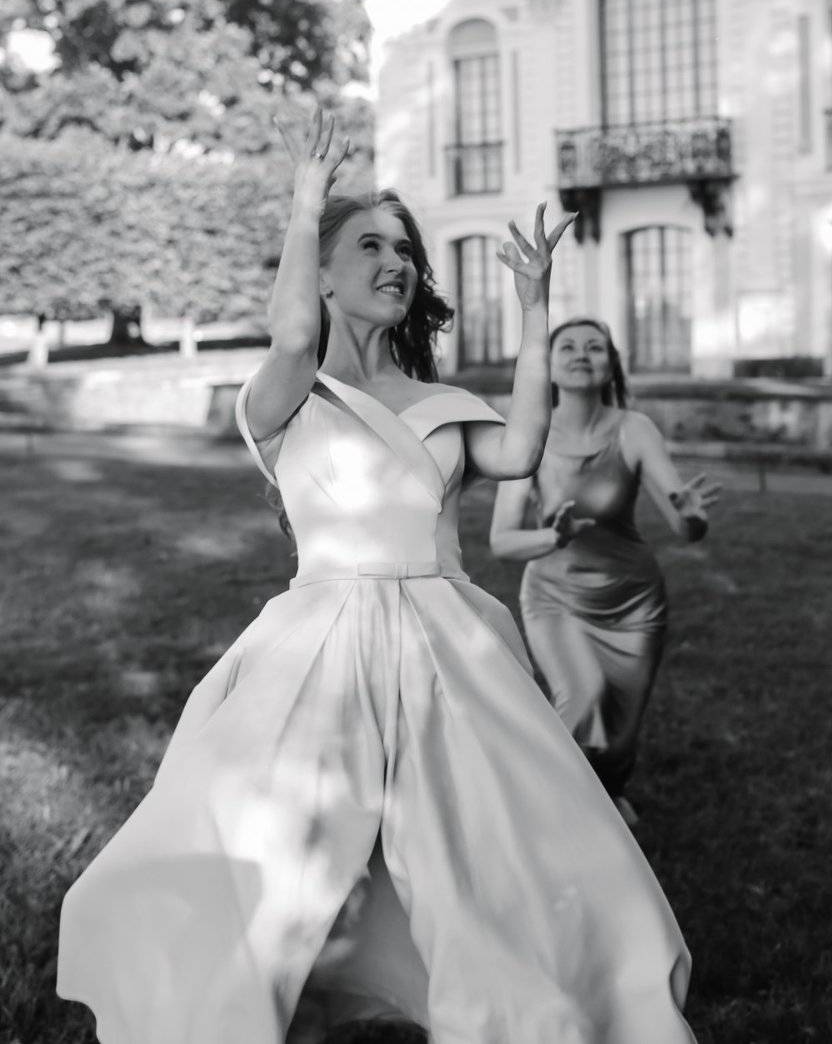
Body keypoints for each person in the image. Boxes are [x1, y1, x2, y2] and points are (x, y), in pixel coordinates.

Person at [57, 109, 697, 1044]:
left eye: (404, 249)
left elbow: (519, 452)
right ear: (320, 274)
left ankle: (525, 1003)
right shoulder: (284, 399)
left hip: (447, 646)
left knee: (483, 846)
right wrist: (307, 198)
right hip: (320, 643)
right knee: (281, 845)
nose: (396, 261)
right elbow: (289, 339)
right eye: (370, 246)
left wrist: (533, 306)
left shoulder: (444, 402)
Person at [490, 318, 720, 828]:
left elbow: (684, 528)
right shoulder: (530, 436)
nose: (581, 353)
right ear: (549, 367)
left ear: (611, 363)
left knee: (621, 726)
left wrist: (692, 516)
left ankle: (608, 793)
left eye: (595, 347)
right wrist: (553, 538)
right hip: (555, 595)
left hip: (634, 602)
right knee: (582, 696)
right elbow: (501, 540)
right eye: (568, 346)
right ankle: (545, 811)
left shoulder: (634, 429)